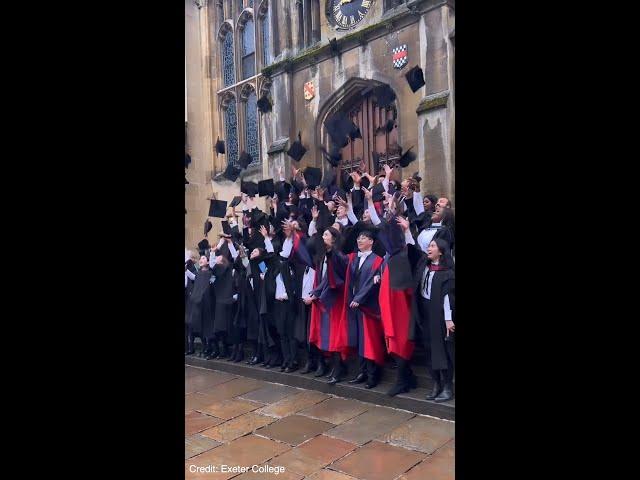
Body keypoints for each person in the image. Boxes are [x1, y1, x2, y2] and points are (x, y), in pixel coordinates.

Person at [408, 238, 455, 402]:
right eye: (429, 246)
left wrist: (449, 320)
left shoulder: (447, 273)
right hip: (423, 313)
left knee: (442, 351)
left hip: (439, 315)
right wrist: (407, 231)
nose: (429, 248)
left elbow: (448, 297)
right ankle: (436, 384)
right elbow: (413, 250)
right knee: (428, 349)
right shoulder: (424, 266)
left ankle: (447, 387)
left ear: (441, 251)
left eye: (433, 246)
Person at [340, 230, 386, 389]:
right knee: (359, 339)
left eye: (364, 238)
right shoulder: (353, 258)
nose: (360, 240)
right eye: (359, 238)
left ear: (371, 241)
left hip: (369, 307)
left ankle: (373, 374)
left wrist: (359, 299)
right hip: (354, 306)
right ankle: (362, 372)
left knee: (369, 341)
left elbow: (372, 283)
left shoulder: (378, 261)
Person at [308, 227, 350, 385]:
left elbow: (333, 279)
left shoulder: (338, 256)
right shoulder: (323, 257)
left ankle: (339, 368)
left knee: (336, 334)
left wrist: (317, 292)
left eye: (326, 234)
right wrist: (316, 292)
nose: (323, 237)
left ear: (334, 239)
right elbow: (322, 278)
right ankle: (336, 366)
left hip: (336, 301)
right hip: (326, 300)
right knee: (328, 334)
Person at [185, 253, 216, 358]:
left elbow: (213, 286)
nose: (201, 260)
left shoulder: (211, 273)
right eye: (200, 258)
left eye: (203, 258)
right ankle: (205, 347)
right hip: (199, 303)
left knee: (209, 326)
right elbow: (193, 277)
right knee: (201, 326)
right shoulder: (198, 274)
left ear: (208, 262)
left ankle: (212, 348)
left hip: (208, 303)